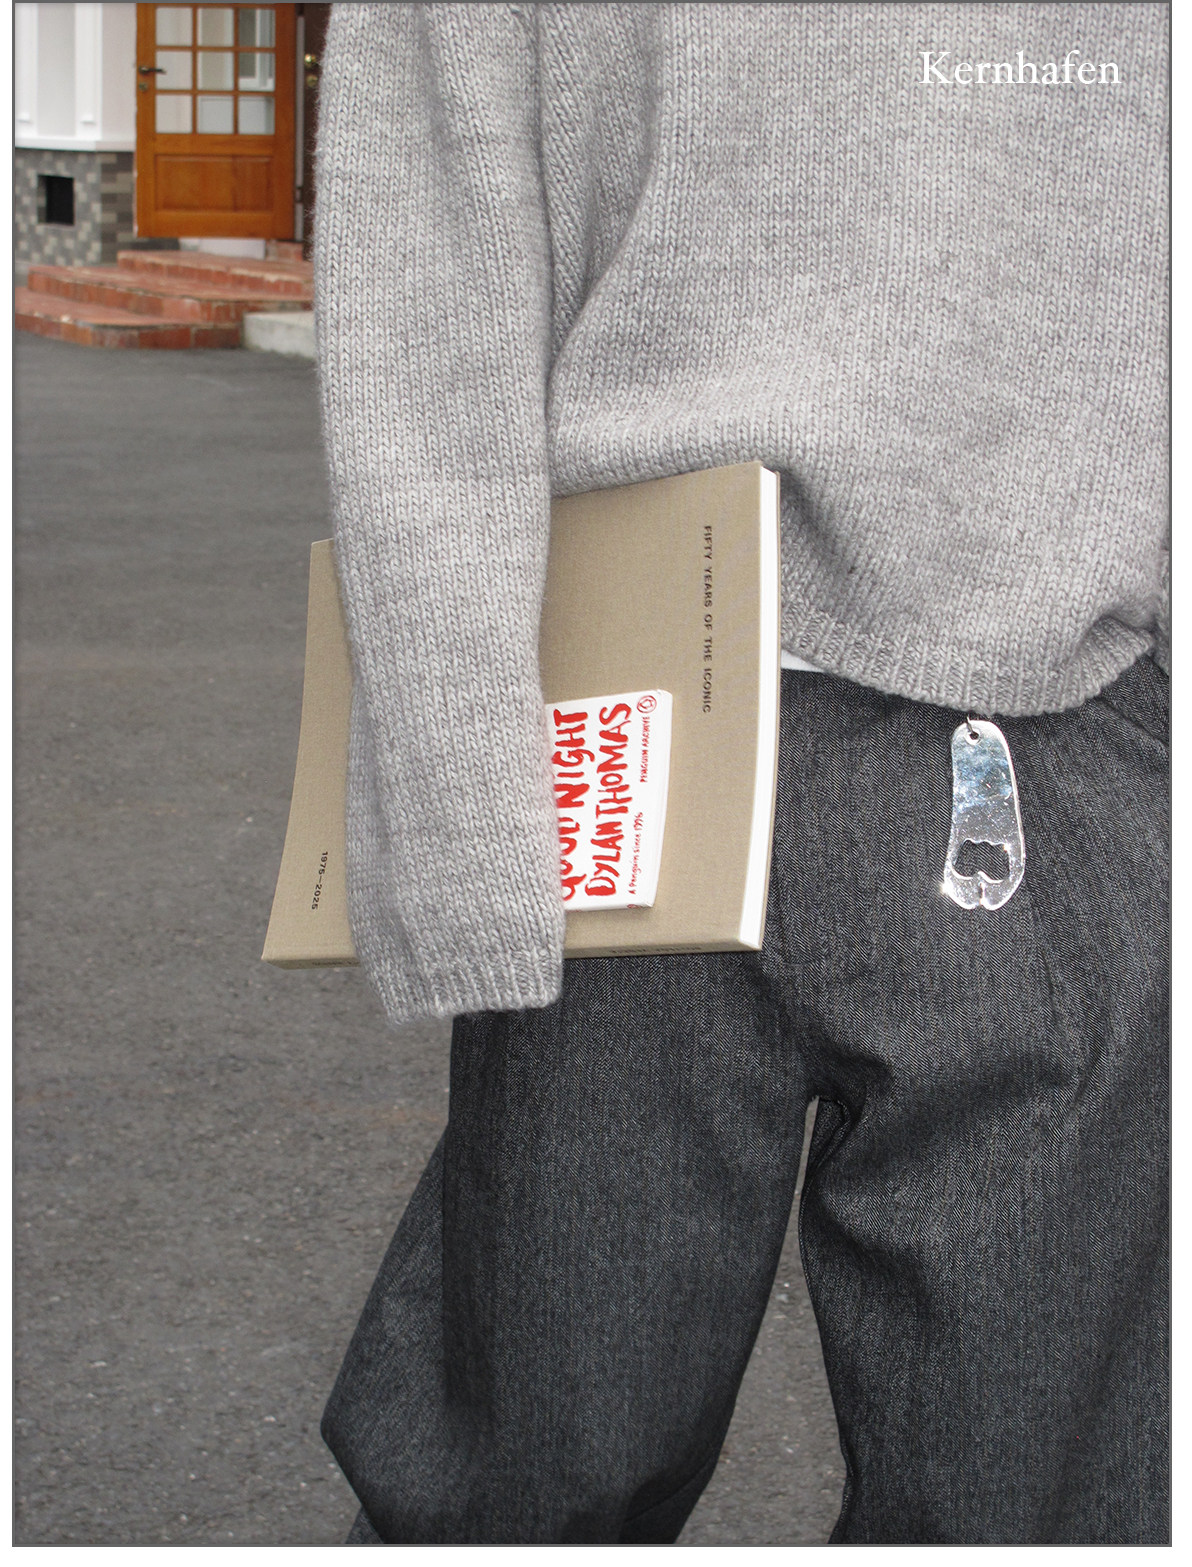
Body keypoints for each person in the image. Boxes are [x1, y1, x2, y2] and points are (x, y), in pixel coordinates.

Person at [310, 2, 1168, 1544]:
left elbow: (430, 294)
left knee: (1010, 1498)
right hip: (668, 711)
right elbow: (429, 297)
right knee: (546, 1476)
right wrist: (461, 800)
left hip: (994, 701)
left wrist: (461, 786)